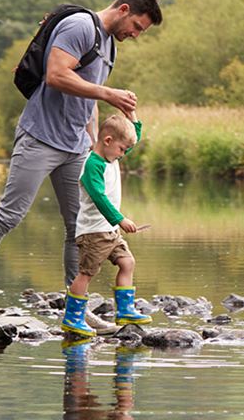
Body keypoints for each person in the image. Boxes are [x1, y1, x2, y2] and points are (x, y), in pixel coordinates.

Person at [0, 0, 163, 330]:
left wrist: (92, 142)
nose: (135, 35)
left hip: (76, 146)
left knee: (79, 227)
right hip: (40, 137)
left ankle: (76, 309)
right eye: (136, 26)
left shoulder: (108, 48)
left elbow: (87, 100)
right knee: (9, 215)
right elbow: (57, 75)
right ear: (123, 9)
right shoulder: (80, 26)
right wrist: (108, 93)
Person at [60, 111, 152, 337]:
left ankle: (125, 310)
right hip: (93, 232)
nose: (124, 154)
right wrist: (120, 219)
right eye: (122, 149)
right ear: (107, 141)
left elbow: (132, 139)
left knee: (127, 262)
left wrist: (132, 116)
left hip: (109, 231)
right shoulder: (93, 165)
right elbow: (99, 197)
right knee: (86, 273)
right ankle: (73, 318)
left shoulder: (112, 156)